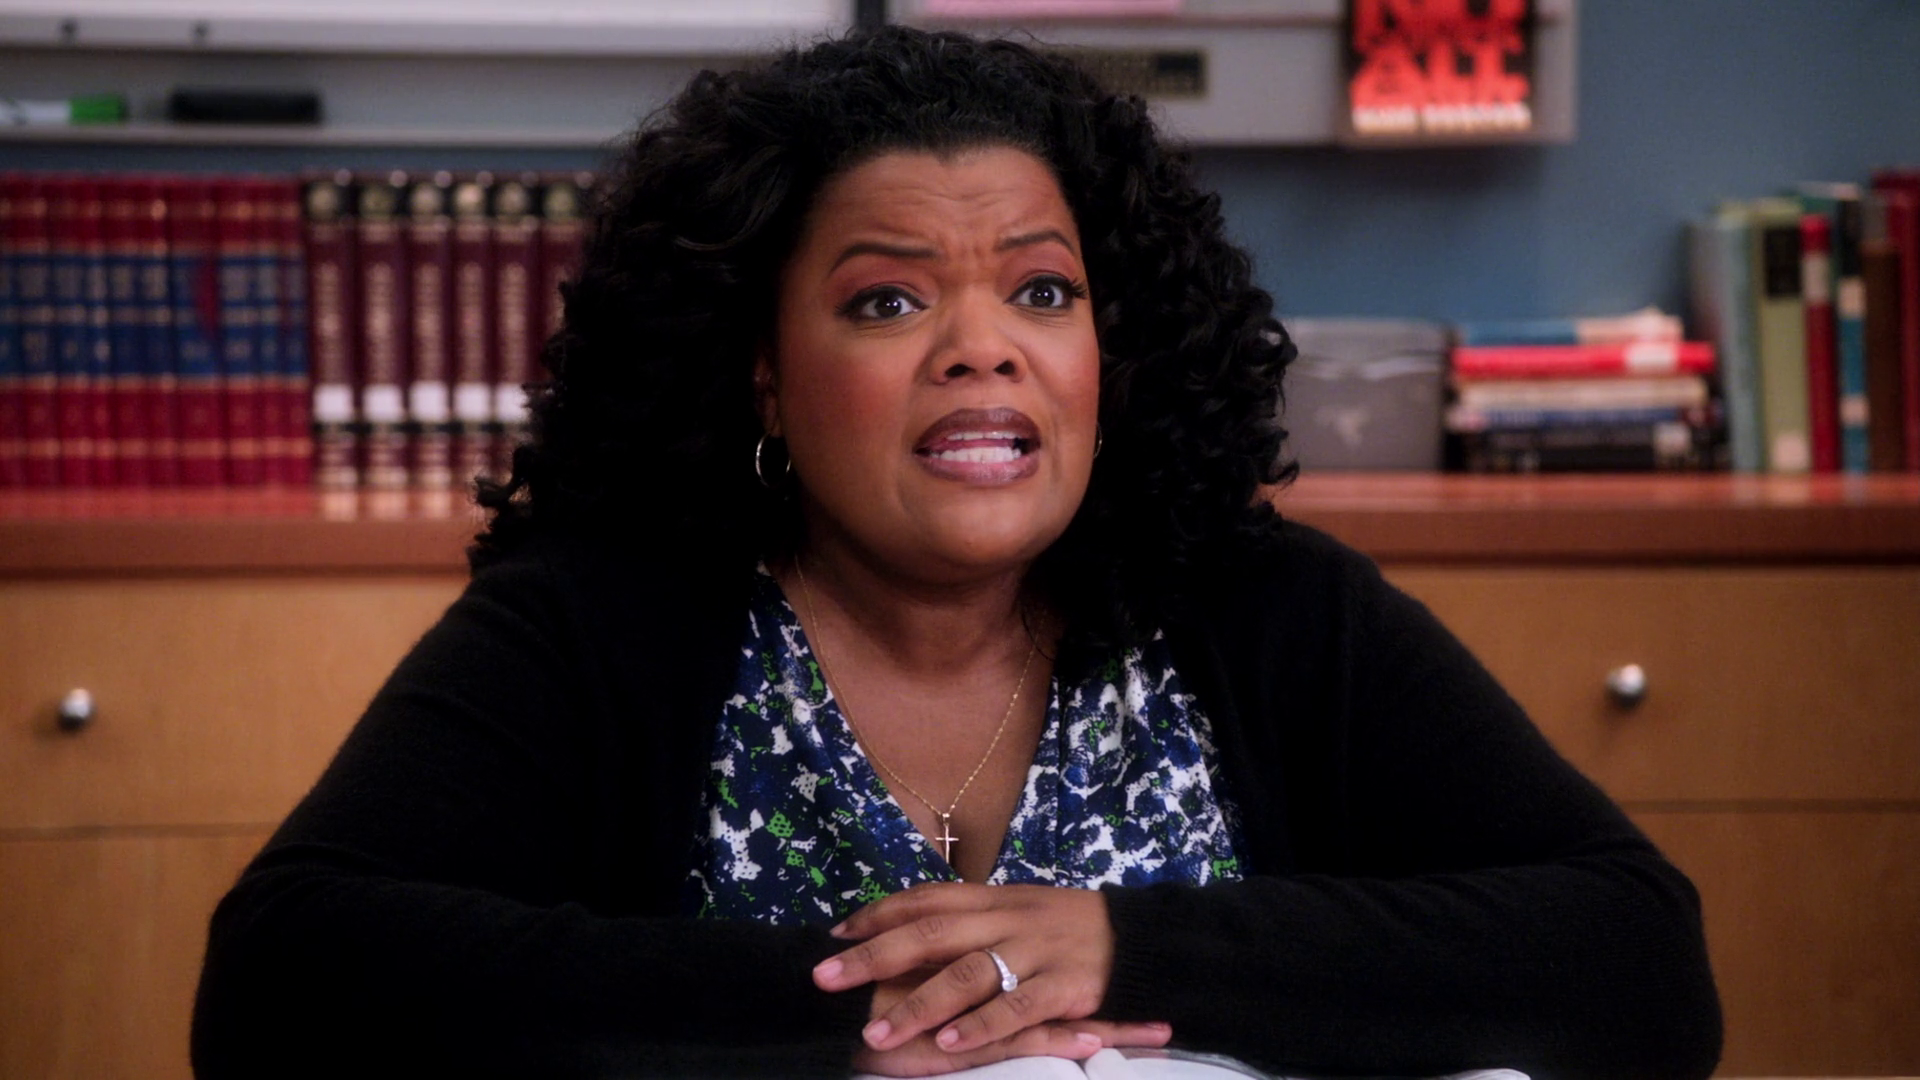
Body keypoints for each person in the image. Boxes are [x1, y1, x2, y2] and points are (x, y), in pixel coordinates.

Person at [190, 26, 1722, 1080]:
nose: (984, 350)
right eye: (889, 300)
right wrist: (862, 1010)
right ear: (761, 372)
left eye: (1043, 293)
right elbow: (282, 984)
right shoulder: (603, 624)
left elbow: (1639, 960)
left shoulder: (1264, 606)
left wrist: (1125, 949)